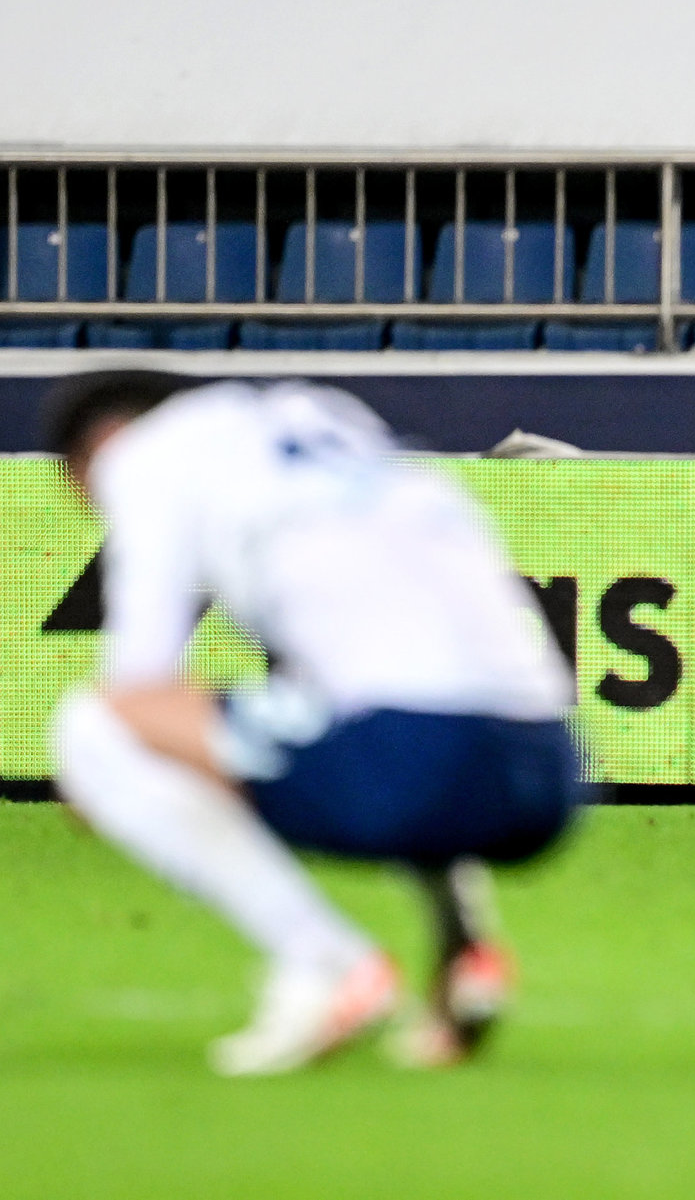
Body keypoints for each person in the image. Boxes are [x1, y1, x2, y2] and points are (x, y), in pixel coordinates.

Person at [43, 370, 582, 1076]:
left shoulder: (144, 458)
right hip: (545, 772)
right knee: (357, 708)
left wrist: (98, 780)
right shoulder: (327, 422)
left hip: (421, 759)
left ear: (95, 452)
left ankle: (324, 962)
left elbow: (140, 672)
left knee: (94, 726)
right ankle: (467, 957)